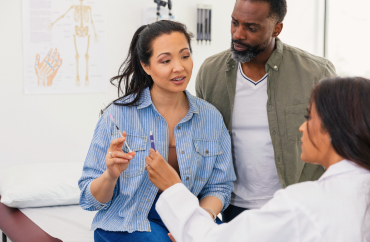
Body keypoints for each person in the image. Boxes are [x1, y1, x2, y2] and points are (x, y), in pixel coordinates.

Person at [147, 77, 370, 242]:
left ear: (333, 128)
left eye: (309, 117)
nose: (302, 127)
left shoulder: (305, 204)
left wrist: (173, 187)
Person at [78, 20, 236, 241]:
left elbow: (219, 186)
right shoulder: (117, 117)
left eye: (185, 56)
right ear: (146, 66)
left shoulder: (211, 117)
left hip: (190, 214)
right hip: (130, 221)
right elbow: (89, 199)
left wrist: (201, 221)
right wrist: (110, 175)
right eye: (165, 60)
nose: (179, 67)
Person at [195, 0, 337, 221]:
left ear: (276, 29)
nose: (238, 34)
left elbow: (338, 144)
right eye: (234, 22)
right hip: (233, 209)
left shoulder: (316, 74)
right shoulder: (210, 73)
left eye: (251, 28)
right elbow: (202, 142)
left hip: (298, 209)